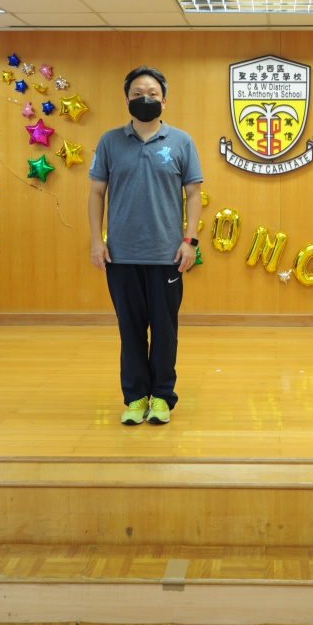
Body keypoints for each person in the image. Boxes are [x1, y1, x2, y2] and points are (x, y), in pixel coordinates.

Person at [88, 66, 203, 426]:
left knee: (165, 331)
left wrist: (190, 241)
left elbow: (194, 194)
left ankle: (163, 397)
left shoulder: (181, 141)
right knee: (131, 329)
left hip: (167, 255)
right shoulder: (109, 141)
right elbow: (96, 193)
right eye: (137, 94)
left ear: (164, 100)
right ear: (126, 100)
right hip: (120, 255)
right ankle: (136, 397)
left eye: (152, 94)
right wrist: (96, 240)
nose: (145, 99)